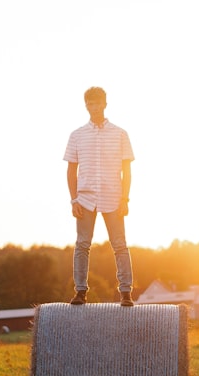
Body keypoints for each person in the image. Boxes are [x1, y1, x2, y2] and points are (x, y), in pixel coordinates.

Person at [64, 86, 134, 306]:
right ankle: (80, 292)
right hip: (85, 198)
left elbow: (127, 171)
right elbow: (70, 171)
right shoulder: (76, 135)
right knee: (82, 245)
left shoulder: (120, 134)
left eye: (97, 103)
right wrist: (74, 199)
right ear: (86, 106)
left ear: (105, 103)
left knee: (119, 245)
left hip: (113, 196)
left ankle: (125, 293)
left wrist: (125, 199)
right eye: (90, 104)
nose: (94, 107)